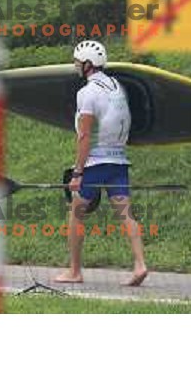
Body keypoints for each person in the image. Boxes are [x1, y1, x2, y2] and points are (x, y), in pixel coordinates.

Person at [54, 40, 148, 286]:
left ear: (86, 64)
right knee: (125, 213)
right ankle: (140, 264)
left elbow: (84, 136)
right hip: (119, 161)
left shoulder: (87, 93)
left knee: (76, 212)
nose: (75, 65)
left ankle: (74, 271)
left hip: (96, 163)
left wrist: (77, 173)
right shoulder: (117, 86)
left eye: (77, 61)